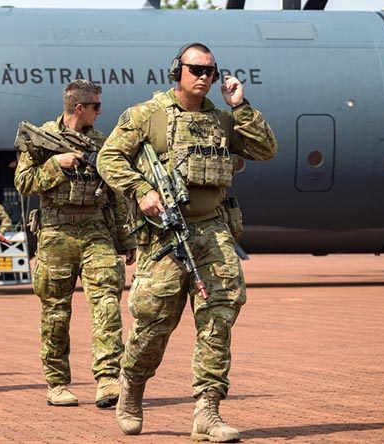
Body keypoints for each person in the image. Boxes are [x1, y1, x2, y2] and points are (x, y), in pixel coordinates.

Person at [97, 43, 278, 441]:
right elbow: (108, 158)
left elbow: (266, 149)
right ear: (177, 70)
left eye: (210, 71)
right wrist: (141, 190)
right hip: (164, 232)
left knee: (219, 314)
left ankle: (207, 411)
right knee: (153, 323)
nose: (203, 77)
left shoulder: (222, 120)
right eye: (195, 68)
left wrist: (241, 106)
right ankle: (132, 387)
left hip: (212, 228)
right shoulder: (148, 115)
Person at [14, 79, 135, 408]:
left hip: (96, 231)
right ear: (79, 107)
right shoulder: (41, 138)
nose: (100, 111)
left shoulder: (101, 141)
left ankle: (108, 378)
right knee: (55, 312)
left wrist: (126, 238)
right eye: (96, 105)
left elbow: (115, 194)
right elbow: (24, 182)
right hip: (56, 232)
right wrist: (57, 164)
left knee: (107, 303)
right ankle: (57, 383)